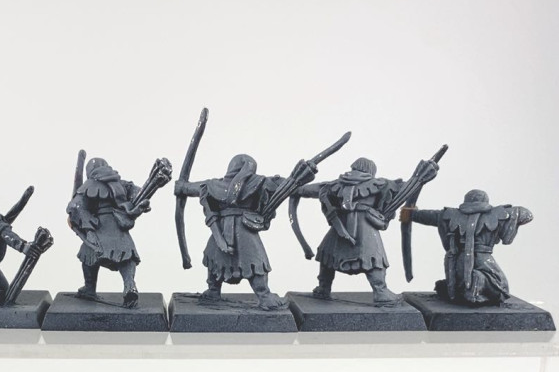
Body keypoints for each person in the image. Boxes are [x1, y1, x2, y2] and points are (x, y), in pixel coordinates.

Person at [174, 154, 303, 309]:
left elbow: (284, 185)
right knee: (221, 260)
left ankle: (262, 295)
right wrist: (182, 187)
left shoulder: (216, 185)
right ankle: (218, 291)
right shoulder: (253, 182)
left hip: (236, 229)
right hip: (232, 230)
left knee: (252, 260)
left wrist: (182, 187)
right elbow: (283, 184)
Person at [296, 157, 407, 306]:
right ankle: (381, 292)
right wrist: (417, 181)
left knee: (328, 256)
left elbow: (311, 189)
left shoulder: (336, 184)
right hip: (364, 228)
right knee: (374, 259)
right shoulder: (379, 184)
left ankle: (324, 287)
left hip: (342, 226)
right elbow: (402, 188)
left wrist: (296, 186)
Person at [400, 189, 533, 305]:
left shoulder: (450, 215)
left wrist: (410, 214)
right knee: (499, 286)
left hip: (463, 259)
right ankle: (471, 290)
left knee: (497, 285)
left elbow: (429, 216)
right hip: (479, 259)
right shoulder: (497, 214)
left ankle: (470, 289)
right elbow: (526, 214)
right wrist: (411, 214)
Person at [67, 158, 151, 307]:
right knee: (126, 258)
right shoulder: (121, 183)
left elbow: (75, 206)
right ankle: (129, 285)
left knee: (89, 257)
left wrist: (82, 222)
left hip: (99, 228)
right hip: (119, 228)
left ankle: (90, 288)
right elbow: (139, 193)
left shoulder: (88, 185)